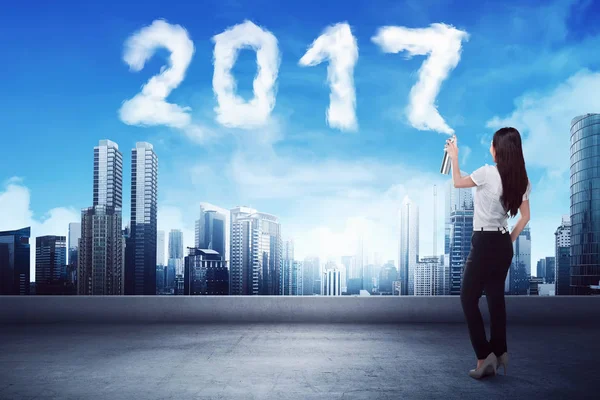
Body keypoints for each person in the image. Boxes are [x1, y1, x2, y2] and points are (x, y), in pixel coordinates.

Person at [444, 127, 531, 380]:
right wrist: (507, 241)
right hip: (503, 242)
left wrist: (454, 156)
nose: (490, 149)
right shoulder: (522, 179)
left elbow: (458, 182)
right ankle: (501, 350)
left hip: (483, 241)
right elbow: (525, 217)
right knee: (495, 298)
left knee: (468, 298)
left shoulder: (486, 173)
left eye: (493, 145)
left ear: (499, 150)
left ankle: (484, 357)